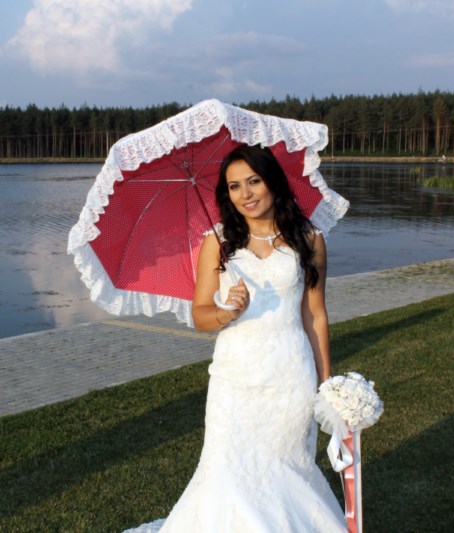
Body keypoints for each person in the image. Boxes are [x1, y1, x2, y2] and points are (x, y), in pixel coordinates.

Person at [124, 145, 347, 532]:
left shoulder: (309, 240)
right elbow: (200, 315)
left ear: (273, 182)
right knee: (226, 468)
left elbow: (315, 314)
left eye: (253, 181)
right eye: (234, 186)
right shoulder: (218, 242)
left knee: (287, 466)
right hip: (234, 378)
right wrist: (226, 312)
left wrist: (326, 382)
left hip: (289, 374)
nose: (245, 194)